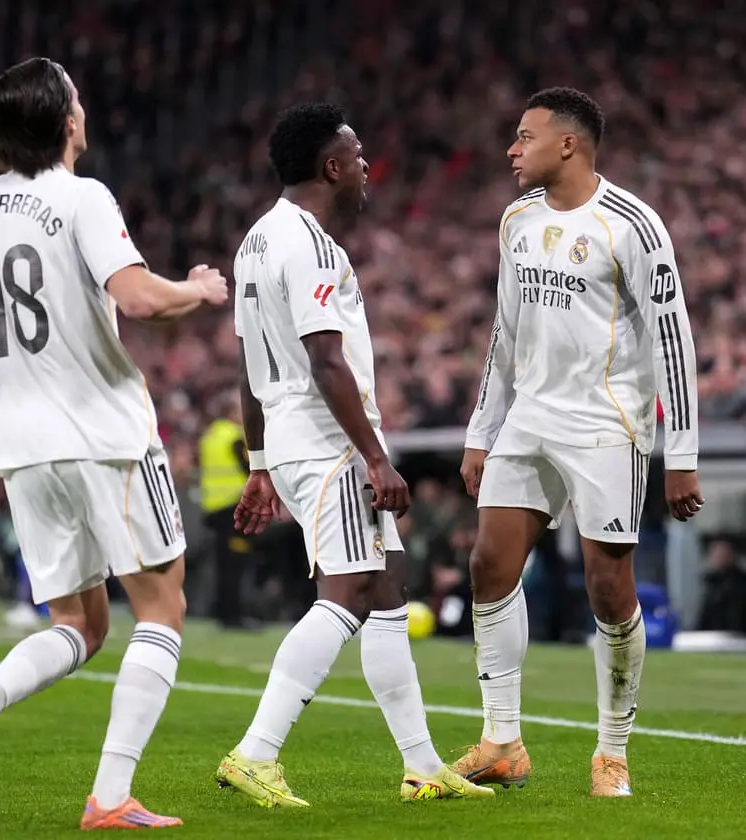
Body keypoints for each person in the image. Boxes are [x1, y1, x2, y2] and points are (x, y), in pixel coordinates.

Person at [0, 56, 227, 829]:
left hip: (22, 449)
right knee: (162, 607)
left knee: (82, 625)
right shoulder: (82, 197)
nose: (85, 112)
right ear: (66, 122)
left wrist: (20, 336)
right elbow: (141, 299)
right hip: (104, 435)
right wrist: (199, 289)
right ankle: (111, 796)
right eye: (79, 102)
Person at [217, 102, 493, 806]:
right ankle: (256, 752)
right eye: (359, 156)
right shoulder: (310, 244)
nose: (368, 168)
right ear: (332, 166)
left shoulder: (255, 241)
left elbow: (249, 365)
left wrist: (259, 464)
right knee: (348, 593)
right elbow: (325, 360)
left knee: (387, 586)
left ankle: (422, 764)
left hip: (293, 438)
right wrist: (374, 456)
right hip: (328, 440)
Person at [452, 88, 703, 797]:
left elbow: (675, 343)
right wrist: (482, 430)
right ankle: (502, 741)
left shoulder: (634, 225)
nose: (512, 149)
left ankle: (612, 752)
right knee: (488, 564)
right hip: (529, 416)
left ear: (567, 144)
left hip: (606, 424)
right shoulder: (517, 219)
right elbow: (505, 332)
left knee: (608, 586)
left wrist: (681, 455)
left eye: (524, 136)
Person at [198, 390, 254, 628]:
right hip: (234, 505)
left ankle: (222, 612)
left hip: (212, 507)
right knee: (235, 564)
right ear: (231, 412)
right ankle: (234, 615)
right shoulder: (235, 437)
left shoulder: (210, 436)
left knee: (222, 564)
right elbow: (249, 469)